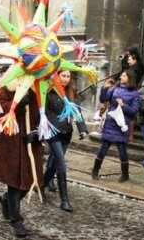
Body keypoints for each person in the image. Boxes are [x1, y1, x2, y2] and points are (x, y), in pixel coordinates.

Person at [0, 78, 43, 238]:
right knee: (14, 182)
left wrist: (38, 133)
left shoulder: (38, 90)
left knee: (31, 181)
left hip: (31, 143)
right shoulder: (5, 89)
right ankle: (16, 220)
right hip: (12, 141)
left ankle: (6, 200)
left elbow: (47, 115)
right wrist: (17, 104)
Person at [43, 70, 88, 212]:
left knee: (54, 164)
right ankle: (64, 200)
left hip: (66, 133)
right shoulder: (48, 91)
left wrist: (82, 129)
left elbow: (77, 112)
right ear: (57, 76)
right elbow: (44, 112)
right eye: (63, 76)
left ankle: (41, 185)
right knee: (61, 163)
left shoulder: (72, 92)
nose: (66, 79)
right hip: (54, 132)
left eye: (68, 77)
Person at [91, 70, 139, 182]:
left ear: (129, 78)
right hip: (111, 122)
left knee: (122, 150)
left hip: (122, 124)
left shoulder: (134, 93)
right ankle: (95, 170)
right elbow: (103, 99)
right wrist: (105, 88)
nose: (121, 77)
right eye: (121, 75)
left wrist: (123, 105)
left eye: (123, 75)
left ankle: (125, 174)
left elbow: (134, 111)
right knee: (103, 147)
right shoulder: (115, 87)